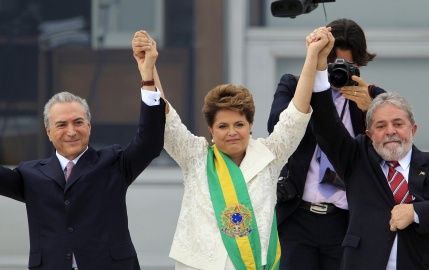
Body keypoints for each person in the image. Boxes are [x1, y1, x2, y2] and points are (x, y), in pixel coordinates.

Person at [132, 28, 333, 270]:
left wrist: (312, 55)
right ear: (211, 130)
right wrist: (148, 70)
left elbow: (297, 115)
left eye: (239, 124)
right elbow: (166, 119)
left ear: (250, 125)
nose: (232, 132)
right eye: (223, 126)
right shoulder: (195, 156)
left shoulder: (270, 156)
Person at [0, 32, 166, 269]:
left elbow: (150, 141)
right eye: (61, 125)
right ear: (48, 132)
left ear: (89, 126)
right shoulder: (30, 175)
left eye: (78, 122)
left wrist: (147, 76)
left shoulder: (113, 163)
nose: (71, 131)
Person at [309, 78, 429, 267]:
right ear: (370, 135)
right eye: (380, 126)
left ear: (413, 130)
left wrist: (415, 212)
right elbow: (326, 125)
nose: (390, 131)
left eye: (398, 124)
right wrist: (318, 70)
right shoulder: (356, 159)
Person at [267, 18, 385, 269]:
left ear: (360, 64)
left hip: (346, 220)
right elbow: (276, 128)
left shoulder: (373, 97)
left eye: (346, 64)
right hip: (297, 216)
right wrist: (311, 88)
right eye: (330, 63)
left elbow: (389, 152)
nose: (336, 71)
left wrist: (370, 109)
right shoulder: (294, 85)